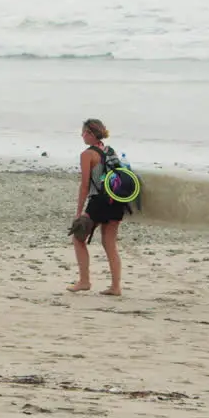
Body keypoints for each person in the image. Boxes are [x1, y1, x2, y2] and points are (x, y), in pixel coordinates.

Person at [66, 118, 125, 296]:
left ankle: (84, 281)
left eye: (84, 132)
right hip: (116, 201)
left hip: (98, 201)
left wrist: (79, 212)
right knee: (110, 244)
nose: (82, 135)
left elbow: (85, 185)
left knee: (78, 238)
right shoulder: (110, 151)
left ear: (91, 134)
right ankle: (115, 287)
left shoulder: (87, 154)